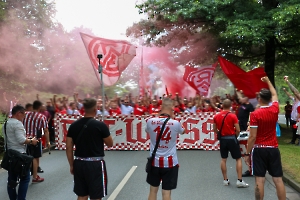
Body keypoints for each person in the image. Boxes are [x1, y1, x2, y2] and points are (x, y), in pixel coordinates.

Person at [245, 76, 286, 200]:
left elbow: (252, 136)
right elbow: (274, 94)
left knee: (259, 179)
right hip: (273, 148)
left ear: (259, 99)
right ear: (269, 99)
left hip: (259, 149)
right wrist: (268, 81)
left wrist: (247, 153)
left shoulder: (255, 114)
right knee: (278, 179)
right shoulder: (274, 109)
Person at [66, 98, 113, 200]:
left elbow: (68, 147)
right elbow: (110, 143)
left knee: (82, 195)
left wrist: (71, 164)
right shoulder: (100, 125)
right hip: (95, 164)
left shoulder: (73, 126)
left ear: (84, 109)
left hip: (79, 162)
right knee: (96, 196)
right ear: (95, 110)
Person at [145, 97, 186, 200]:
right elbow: (183, 131)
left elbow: (147, 131)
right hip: (170, 163)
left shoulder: (150, 121)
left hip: (154, 162)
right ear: (172, 108)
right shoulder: (175, 123)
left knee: (153, 191)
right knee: (166, 192)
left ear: (161, 107)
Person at [3, 105, 39, 200]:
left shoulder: (6, 123)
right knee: (25, 178)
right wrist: (32, 141)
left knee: (11, 180)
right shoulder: (18, 124)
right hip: (19, 155)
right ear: (19, 113)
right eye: (24, 114)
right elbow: (21, 140)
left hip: (10, 154)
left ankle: (13, 198)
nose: (24, 117)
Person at [213, 99, 249, 188]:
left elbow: (214, 129)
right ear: (230, 106)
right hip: (232, 138)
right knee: (238, 158)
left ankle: (225, 179)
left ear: (222, 106)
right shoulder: (233, 116)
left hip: (223, 139)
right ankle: (239, 180)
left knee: (223, 159)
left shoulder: (216, 116)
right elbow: (238, 129)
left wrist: (220, 134)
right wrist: (236, 136)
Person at [23, 100, 50, 183]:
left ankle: (29, 172)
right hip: (35, 139)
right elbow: (46, 130)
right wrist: (48, 142)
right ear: (39, 107)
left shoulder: (26, 114)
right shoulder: (42, 117)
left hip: (25, 138)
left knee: (28, 155)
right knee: (35, 157)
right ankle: (35, 176)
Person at [283, 76, 300, 145]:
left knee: (298, 131)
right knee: (294, 130)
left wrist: (287, 81)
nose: (295, 95)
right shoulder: (294, 100)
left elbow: (295, 91)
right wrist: (285, 91)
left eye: (296, 95)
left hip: (298, 119)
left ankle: (298, 142)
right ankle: (293, 141)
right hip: (293, 118)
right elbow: (290, 95)